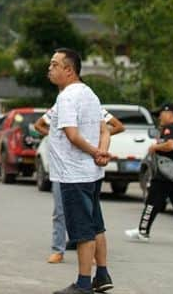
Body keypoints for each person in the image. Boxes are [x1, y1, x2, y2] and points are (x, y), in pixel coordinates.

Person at [47, 48, 114, 294]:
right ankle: (102, 274)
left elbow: (72, 135)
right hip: (92, 173)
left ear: (69, 69)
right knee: (96, 225)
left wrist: (96, 152)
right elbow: (105, 130)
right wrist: (101, 151)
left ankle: (83, 283)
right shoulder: (90, 94)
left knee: (82, 230)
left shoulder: (67, 97)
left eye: (55, 64)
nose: (50, 69)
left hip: (73, 174)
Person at [35, 107, 124, 263]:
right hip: (63, 167)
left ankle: (93, 254)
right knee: (60, 210)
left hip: (87, 166)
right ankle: (58, 249)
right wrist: (57, 137)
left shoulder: (93, 106)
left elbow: (118, 126)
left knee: (90, 210)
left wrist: (97, 141)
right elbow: (39, 125)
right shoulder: (60, 107)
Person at [124, 103, 173, 246]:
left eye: (161, 114)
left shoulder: (169, 128)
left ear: (169, 113)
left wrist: (154, 147)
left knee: (152, 203)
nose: (159, 118)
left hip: (165, 174)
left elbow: (170, 145)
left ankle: (142, 231)